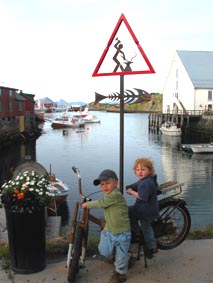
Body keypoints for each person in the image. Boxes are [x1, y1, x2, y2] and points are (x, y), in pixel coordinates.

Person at [82, 169, 131, 283]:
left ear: (116, 183)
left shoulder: (115, 195)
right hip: (109, 230)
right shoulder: (108, 195)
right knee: (104, 252)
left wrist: (86, 205)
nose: (105, 187)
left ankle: (120, 274)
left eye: (108, 183)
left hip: (122, 232)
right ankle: (115, 256)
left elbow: (101, 203)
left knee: (121, 257)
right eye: (102, 184)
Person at [126, 158, 159, 258]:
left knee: (130, 212)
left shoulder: (145, 183)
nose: (140, 172)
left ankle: (137, 233)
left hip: (144, 210)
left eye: (143, 169)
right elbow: (138, 184)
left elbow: (142, 196)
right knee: (147, 226)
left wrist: (131, 192)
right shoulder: (149, 179)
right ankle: (151, 245)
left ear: (150, 171)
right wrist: (130, 187)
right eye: (137, 169)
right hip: (151, 208)